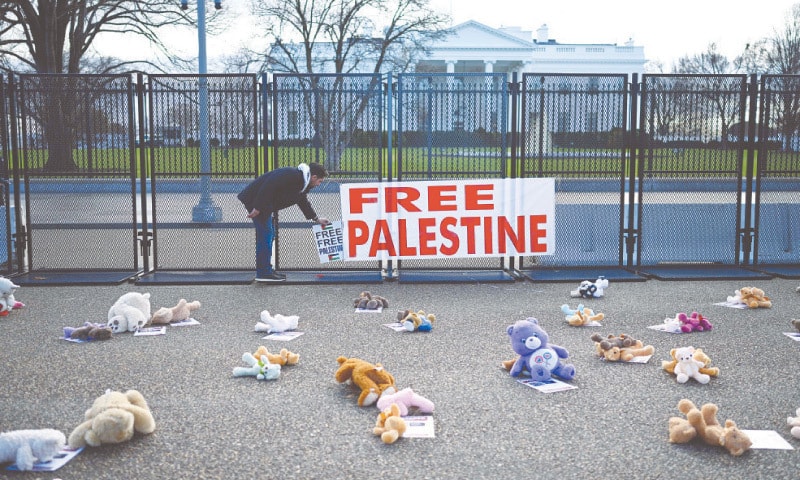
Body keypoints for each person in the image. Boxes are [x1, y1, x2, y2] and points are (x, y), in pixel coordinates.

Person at [238, 162, 330, 282]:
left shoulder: (302, 183)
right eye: (320, 181)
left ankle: (266, 271)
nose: (319, 184)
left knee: (268, 235)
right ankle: (264, 273)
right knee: (266, 236)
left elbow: (302, 201)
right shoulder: (292, 175)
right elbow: (268, 185)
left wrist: (316, 219)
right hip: (256, 202)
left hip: (262, 204)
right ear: (314, 177)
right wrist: (258, 207)